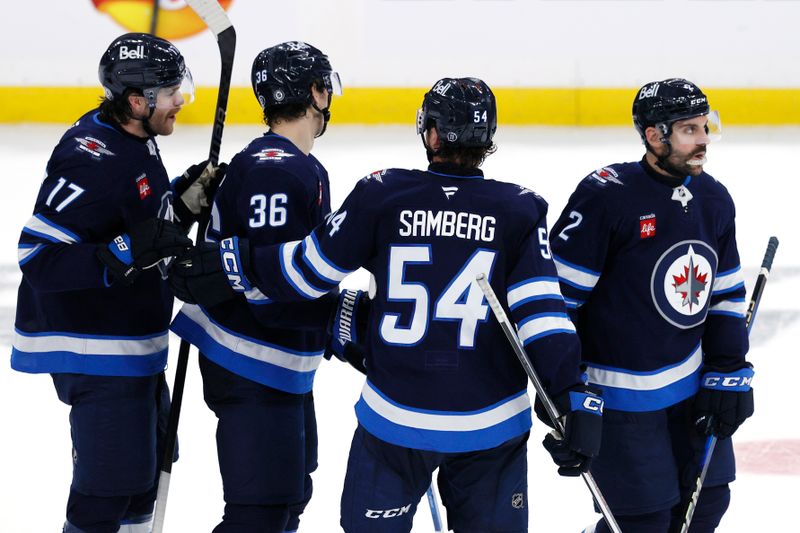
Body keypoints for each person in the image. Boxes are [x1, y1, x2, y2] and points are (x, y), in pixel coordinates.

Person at [170, 77, 604, 533]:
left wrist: (235, 262)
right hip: (489, 426)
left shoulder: (382, 193)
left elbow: (306, 271)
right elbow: (543, 315)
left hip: (396, 419)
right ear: (487, 139)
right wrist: (570, 395)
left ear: (431, 134)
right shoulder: (521, 209)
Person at [10, 33, 217, 533]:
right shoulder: (91, 158)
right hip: (96, 348)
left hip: (131, 338)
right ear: (136, 100)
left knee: (142, 480)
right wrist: (124, 251)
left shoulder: (132, 138)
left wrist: (178, 206)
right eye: (170, 91)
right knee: (109, 488)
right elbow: (37, 256)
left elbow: (131, 220)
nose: (181, 99)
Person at [549, 78, 755, 533]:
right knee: (642, 524)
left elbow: (724, 294)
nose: (703, 140)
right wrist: (568, 391)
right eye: (688, 129)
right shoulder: (606, 196)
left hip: (691, 385)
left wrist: (730, 369)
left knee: (705, 508)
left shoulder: (713, 198)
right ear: (654, 136)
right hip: (618, 399)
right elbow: (556, 305)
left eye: (706, 126)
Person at [169, 41, 342, 533]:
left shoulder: (288, 162)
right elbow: (271, 288)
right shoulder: (278, 170)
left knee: (288, 498)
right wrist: (343, 324)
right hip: (251, 360)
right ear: (315, 92)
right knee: (259, 513)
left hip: (276, 363)